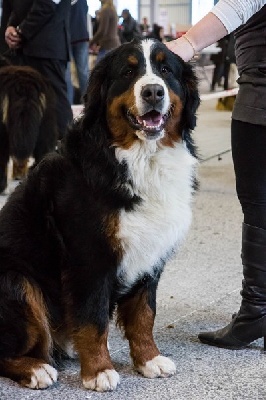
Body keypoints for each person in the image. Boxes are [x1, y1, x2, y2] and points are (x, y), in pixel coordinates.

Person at [166, 0, 266, 350]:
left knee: (259, 208)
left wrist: (186, 45)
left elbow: (240, 4)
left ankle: (256, 312)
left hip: (261, 105)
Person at [4, 0, 73, 140]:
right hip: (27, 47)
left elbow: (47, 5)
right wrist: (11, 26)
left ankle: (69, 151)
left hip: (48, 47)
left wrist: (21, 31)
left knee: (56, 103)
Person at [66, 0, 90, 104]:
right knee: (82, 73)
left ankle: (70, 103)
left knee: (68, 74)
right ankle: (87, 103)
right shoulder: (83, 2)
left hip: (70, 38)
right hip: (79, 37)